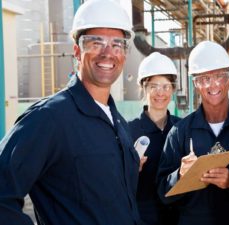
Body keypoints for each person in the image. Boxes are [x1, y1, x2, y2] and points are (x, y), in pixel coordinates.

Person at [0, 0, 142, 224]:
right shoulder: (48, 118)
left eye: (117, 44)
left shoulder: (119, 124)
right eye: (96, 43)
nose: (108, 53)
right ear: (77, 51)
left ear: (124, 53)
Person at [156, 41, 229, 225]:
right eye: (204, 78)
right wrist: (180, 174)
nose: (213, 85)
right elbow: (162, 193)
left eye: (220, 76)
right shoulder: (180, 133)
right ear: (196, 84)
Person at [128, 52, 180, 225]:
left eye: (166, 86)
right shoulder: (129, 130)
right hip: (143, 217)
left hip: (178, 215)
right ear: (144, 88)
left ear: (173, 89)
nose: (160, 93)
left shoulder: (182, 128)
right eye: (154, 86)